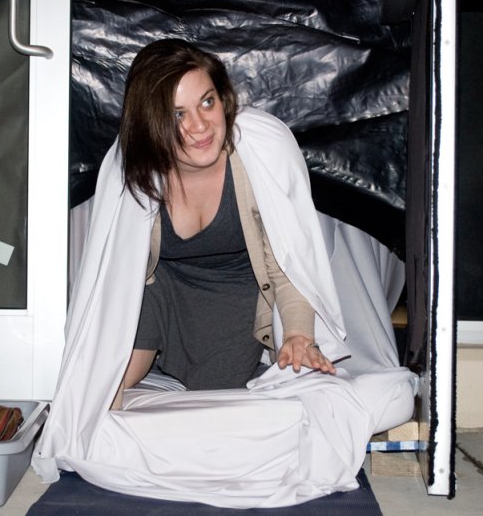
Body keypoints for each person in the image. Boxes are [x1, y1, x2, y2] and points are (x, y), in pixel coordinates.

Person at [111, 39, 336, 404]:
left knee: (215, 403)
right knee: (108, 384)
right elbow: (114, 271)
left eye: (207, 102)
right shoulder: (135, 170)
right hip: (158, 287)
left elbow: (288, 260)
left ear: (223, 98)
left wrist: (297, 335)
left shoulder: (258, 158)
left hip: (235, 292)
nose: (199, 126)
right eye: (177, 114)